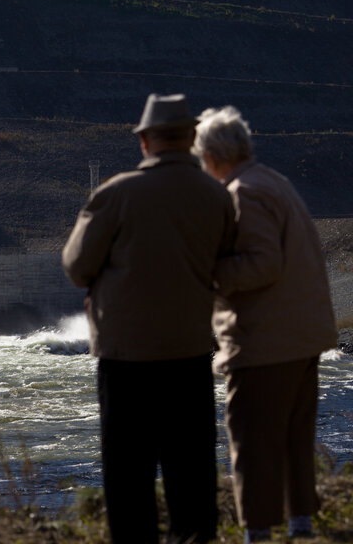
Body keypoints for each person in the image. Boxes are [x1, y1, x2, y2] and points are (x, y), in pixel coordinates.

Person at [63, 93, 236, 544]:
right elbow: (227, 261)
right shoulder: (216, 196)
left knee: (128, 470)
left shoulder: (117, 192)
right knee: (191, 465)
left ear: (144, 141)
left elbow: (76, 265)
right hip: (191, 351)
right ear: (191, 138)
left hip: (126, 356)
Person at [194, 106, 339, 542]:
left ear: (213, 156)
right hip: (304, 334)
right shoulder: (276, 182)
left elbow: (261, 264)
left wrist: (209, 272)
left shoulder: (243, 193)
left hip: (264, 341)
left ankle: (256, 532)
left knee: (250, 438)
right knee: (296, 435)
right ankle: (301, 525)